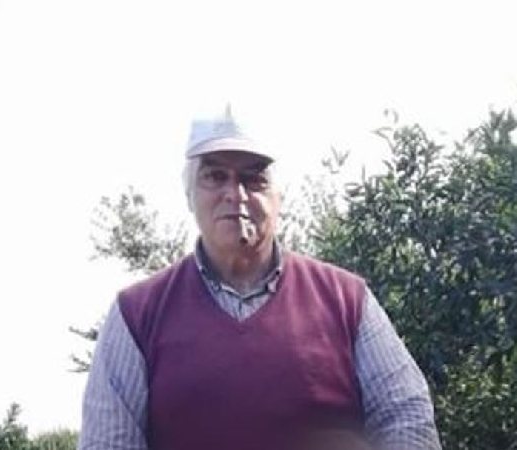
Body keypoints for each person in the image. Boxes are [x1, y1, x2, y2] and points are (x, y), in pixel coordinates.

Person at [78, 106, 442, 450]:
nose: (234, 194)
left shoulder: (347, 301)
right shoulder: (136, 315)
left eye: (253, 178)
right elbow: (108, 443)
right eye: (214, 176)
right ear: (189, 193)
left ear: (279, 194)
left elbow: (406, 417)